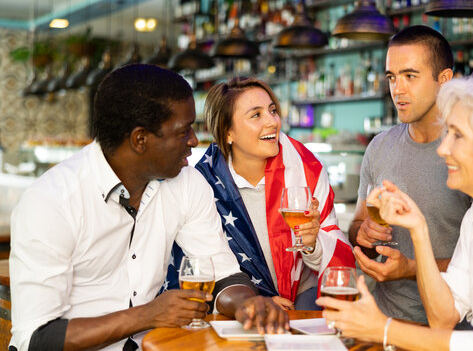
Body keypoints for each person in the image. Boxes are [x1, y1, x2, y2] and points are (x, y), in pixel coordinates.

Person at [9, 64, 289, 351]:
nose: (194, 141)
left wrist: (246, 303)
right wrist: (146, 315)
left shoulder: (187, 183)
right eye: (184, 131)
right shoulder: (51, 202)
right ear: (140, 140)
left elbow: (223, 274)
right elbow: (37, 338)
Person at [318, 73, 473, 350]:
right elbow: (443, 316)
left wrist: (382, 329)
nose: (443, 149)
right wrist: (418, 229)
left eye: (457, 135)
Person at [166, 77, 355, 311]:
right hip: (239, 303)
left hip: (307, 296)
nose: (272, 122)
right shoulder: (203, 184)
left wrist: (312, 244)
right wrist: (254, 300)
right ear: (227, 133)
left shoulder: (305, 169)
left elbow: (337, 251)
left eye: (272, 110)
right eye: (256, 115)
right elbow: (204, 266)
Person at [348, 25, 471, 323]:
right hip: (383, 320)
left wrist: (412, 267)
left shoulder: (472, 153)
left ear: (444, 80)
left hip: (453, 328)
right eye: (392, 77)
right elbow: (355, 227)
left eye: (410, 76)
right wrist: (364, 234)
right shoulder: (379, 146)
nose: (397, 89)